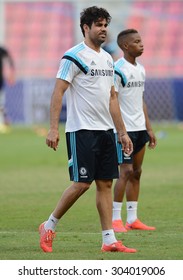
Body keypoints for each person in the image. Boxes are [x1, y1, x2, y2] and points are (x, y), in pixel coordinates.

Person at [39, 6, 136, 253]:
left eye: (106, 25)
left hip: (106, 132)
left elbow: (113, 97)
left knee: (105, 183)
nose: (104, 29)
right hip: (81, 130)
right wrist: (53, 128)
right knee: (82, 184)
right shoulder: (73, 56)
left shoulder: (107, 59)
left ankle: (108, 240)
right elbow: (58, 91)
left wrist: (122, 132)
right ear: (86, 27)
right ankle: (49, 225)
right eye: (99, 25)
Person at [112, 29, 157, 233]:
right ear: (125, 46)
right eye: (137, 42)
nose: (142, 44)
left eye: (142, 40)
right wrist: (121, 130)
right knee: (126, 172)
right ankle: (115, 220)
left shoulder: (141, 69)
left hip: (140, 129)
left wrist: (149, 128)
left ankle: (132, 218)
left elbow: (140, 100)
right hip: (125, 131)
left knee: (137, 172)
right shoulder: (117, 70)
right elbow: (112, 101)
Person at [0, 46, 15, 133]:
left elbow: (10, 60)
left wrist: (12, 73)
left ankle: (3, 121)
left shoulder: (1, 50)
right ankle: (4, 120)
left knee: (1, 103)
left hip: (0, 80)